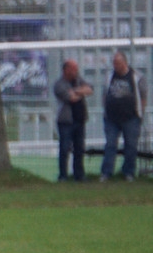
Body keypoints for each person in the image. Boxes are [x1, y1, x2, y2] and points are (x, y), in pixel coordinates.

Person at [100, 51, 147, 181]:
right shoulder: (109, 76)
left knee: (131, 145)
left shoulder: (136, 76)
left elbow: (143, 96)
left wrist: (140, 113)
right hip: (112, 119)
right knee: (110, 145)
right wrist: (106, 110)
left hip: (131, 118)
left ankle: (128, 172)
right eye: (114, 63)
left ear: (124, 63)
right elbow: (104, 94)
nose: (115, 66)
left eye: (118, 63)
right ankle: (106, 173)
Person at [53, 59, 93, 182]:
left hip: (79, 120)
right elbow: (71, 98)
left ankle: (79, 175)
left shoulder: (78, 80)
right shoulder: (59, 84)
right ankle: (63, 175)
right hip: (66, 121)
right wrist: (81, 92)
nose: (76, 71)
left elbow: (90, 90)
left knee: (79, 148)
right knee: (65, 148)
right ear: (66, 70)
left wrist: (76, 90)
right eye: (73, 69)